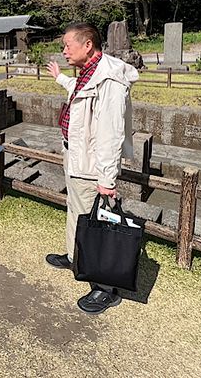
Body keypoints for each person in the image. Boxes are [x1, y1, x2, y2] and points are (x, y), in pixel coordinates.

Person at [44, 23, 138, 315]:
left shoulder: (109, 78)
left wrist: (107, 178)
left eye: (67, 46)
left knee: (97, 221)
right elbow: (80, 94)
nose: (63, 51)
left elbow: (111, 133)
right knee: (77, 209)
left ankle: (104, 288)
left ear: (88, 45)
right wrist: (60, 78)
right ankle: (75, 256)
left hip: (92, 164)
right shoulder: (89, 72)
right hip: (76, 156)